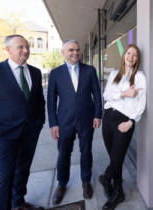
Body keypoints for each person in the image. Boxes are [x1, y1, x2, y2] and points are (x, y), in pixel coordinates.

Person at [0, 35, 45, 210]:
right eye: (20, 47)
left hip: (30, 132)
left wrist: (39, 123)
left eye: (27, 47)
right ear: (8, 49)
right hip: (5, 134)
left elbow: (38, 101)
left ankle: (18, 203)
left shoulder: (35, 72)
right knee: (4, 177)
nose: (26, 51)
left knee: (23, 170)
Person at [47, 39, 102, 205]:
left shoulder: (90, 70)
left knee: (86, 152)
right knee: (63, 153)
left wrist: (98, 115)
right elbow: (50, 101)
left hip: (86, 119)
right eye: (71, 50)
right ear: (63, 52)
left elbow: (97, 95)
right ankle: (62, 184)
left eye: (77, 50)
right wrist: (53, 123)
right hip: (64, 121)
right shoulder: (55, 73)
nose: (75, 53)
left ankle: (86, 182)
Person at [99, 44, 146, 210]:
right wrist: (124, 94)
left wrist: (131, 122)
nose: (131, 57)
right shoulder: (114, 74)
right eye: (129, 53)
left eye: (134, 55)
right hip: (108, 118)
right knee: (114, 159)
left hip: (124, 121)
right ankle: (118, 192)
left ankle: (106, 178)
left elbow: (141, 103)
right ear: (124, 55)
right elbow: (106, 95)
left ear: (137, 59)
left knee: (117, 159)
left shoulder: (139, 76)